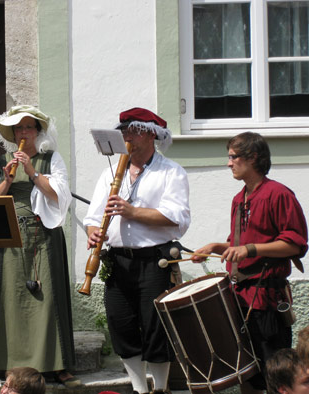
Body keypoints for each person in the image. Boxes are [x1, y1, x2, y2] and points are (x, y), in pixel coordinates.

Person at [84, 107, 191, 394]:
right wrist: (93, 233)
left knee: (156, 328)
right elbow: (93, 219)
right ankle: (139, 389)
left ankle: (161, 388)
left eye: (133, 130)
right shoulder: (109, 173)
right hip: (118, 260)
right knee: (121, 326)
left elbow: (176, 219)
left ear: (152, 134)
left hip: (155, 260)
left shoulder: (171, 171)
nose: (126, 135)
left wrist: (132, 212)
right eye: (124, 130)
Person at [194, 131, 308, 394]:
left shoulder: (278, 194)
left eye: (233, 157)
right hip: (239, 298)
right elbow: (240, 246)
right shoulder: (239, 199)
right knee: (247, 373)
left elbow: (295, 244)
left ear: (253, 157)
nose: (229, 163)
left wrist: (250, 249)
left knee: (274, 375)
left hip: (266, 299)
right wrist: (215, 247)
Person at [0, 105, 79, 387]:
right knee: (12, 300)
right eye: (19, 129)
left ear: (37, 132)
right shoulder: (1, 162)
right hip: (10, 235)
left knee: (47, 300)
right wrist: (7, 181)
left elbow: (59, 197)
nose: (24, 133)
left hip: (43, 234)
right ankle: (10, 366)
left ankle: (56, 365)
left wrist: (31, 172)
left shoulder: (51, 159)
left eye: (29, 128)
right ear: (13, 134)